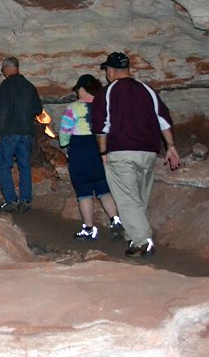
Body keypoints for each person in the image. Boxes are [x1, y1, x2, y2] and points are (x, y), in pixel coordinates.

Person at [92, 52, 180, 258]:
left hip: (121, 151)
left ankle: (142, 242)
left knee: (127, 198)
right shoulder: (147, 90)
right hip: (148, 152)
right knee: (140, 197)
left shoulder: (107, 92)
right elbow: (164, 120)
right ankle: (134, 234)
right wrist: (171, 146)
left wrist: (103, 151)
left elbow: (101, 126)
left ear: (111, 71)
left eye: (107, 70)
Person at [59, 74, 124, 241]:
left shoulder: (74, 107)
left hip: (81, 150)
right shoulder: (104, 106)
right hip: (102, 149)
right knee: (104, 189)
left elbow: (64, 132)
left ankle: (89, 230)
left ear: (82, 88)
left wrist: (65, 144)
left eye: (77, 89)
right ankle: (116, 222)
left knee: (84, 191)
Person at [0, 57, 43, 213]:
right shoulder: (29, 86)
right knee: (24, 166)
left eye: (3, 70)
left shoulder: (6, 85)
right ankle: (26, 200)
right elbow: (38, 110)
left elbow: (3, 110)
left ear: (8, 68)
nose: (3, 73)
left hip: (9, 132)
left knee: (4, 165)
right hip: (26, 132)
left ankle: (11, 200)